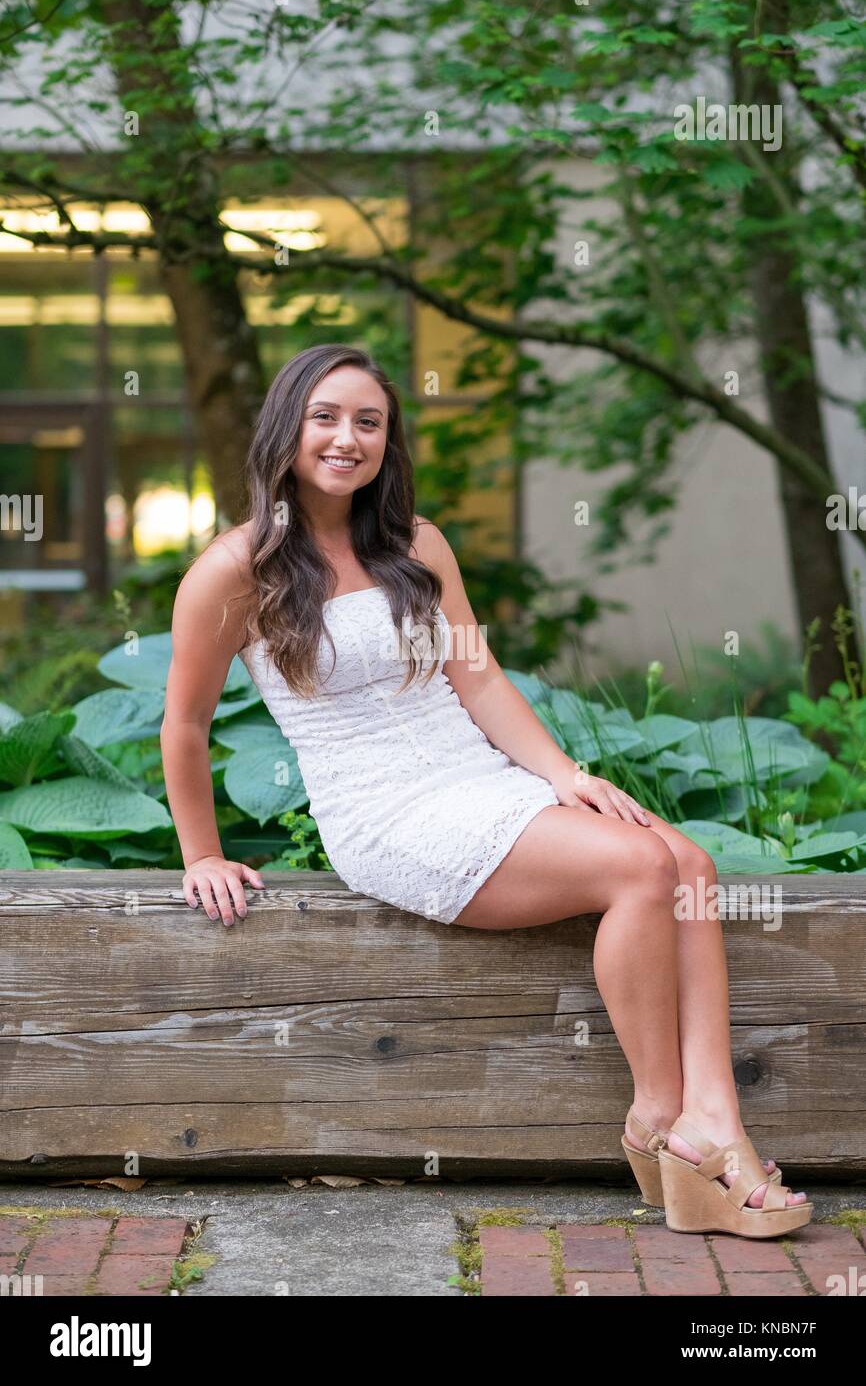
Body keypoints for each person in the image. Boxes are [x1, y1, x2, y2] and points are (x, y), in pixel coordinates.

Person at [160, 343, 811, 1239]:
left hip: (478, 778)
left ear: (389, 439)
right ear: (285, 428)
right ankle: (666, 1123)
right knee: (637, 868)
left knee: (687, 861)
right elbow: (185, 724)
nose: (347, 438)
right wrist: (201, 853)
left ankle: (718, 1127)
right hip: (386, 813)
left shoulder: (416, 544)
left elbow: (481, 680)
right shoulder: (235, 571)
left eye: (369, 422)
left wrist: (566, 776)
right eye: (326, 417)